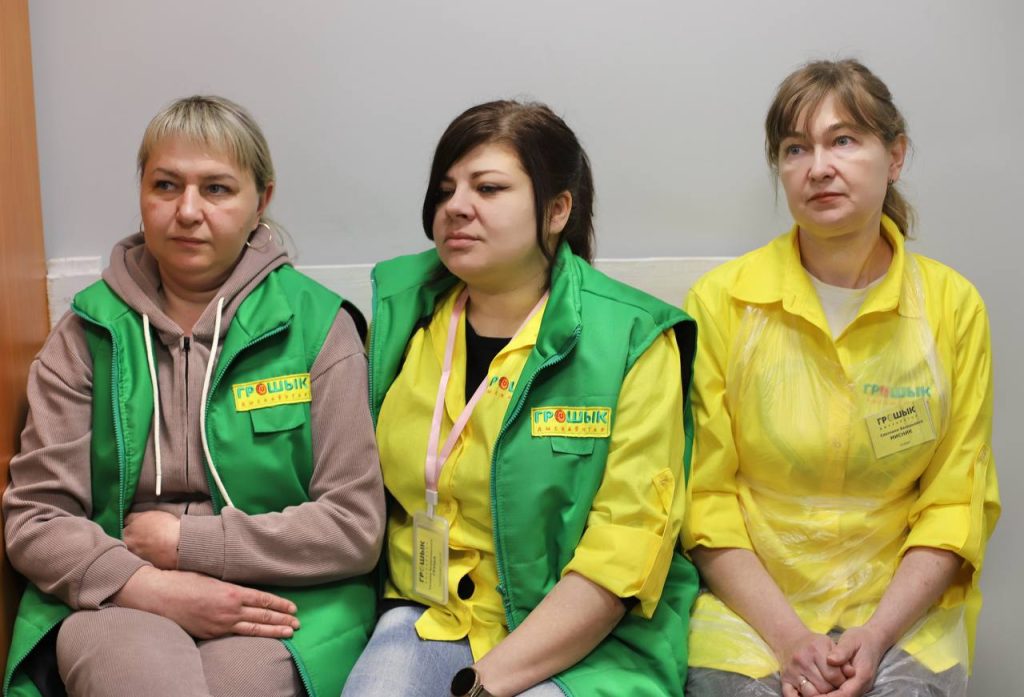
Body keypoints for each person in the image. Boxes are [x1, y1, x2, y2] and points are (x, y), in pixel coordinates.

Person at [2, 96, 385, 697]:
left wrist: (188, 544)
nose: (187, 211)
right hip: (117, 592)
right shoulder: (87, 333)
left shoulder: (318, 327)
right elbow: (36, 518)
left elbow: (353, 525)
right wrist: (151, 586)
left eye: (216, 189)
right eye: (165, 185)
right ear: (141, 194)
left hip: (282, 598)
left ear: (262, 200)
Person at [341, 100, 698, 697]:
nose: (456, 207)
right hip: (432, 610)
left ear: (557, 210)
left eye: (488, 188)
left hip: (590, 640)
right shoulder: (402, 316)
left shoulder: (633, 338)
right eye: (446, 189)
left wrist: (482, 684)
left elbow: (624, 550)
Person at [682, 59, 1000, 697]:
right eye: (795, 148)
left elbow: (953, 503)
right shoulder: (722, 302)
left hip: (900, 614)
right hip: (750, 614)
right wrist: (790, 639)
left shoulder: (951, 307)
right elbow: (704, 500)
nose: (818, 167)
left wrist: (876, 636)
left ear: (896, 155)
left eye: (844, 140)